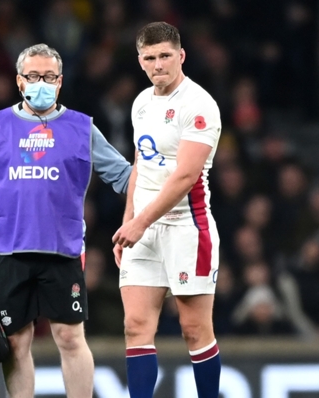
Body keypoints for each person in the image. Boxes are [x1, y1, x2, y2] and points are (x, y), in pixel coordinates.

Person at [0, 43, 131, 398]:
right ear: (19, 81)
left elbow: (125, 177)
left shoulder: (82, 128)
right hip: (8, 250)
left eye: (49, 77)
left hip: (62, 249)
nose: (41, 83)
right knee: (17, 342)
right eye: (34, 76)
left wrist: (156, 189)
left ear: (60, 81)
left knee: (69, 337)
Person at [112, 22, 223, 398]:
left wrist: (140, 223)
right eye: (150, 57)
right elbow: (140, 164)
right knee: (136, 324)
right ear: (140, 61)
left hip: (186, 227)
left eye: (165, 56)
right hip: (143, 230)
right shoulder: (141, 103)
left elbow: (186, 176)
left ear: (181, 56)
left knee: (194, 329)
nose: (158, 64)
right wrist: (128, 222)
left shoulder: (199, 105)